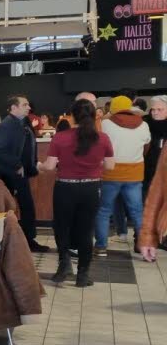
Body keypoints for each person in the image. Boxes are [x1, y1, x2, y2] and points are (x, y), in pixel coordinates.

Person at [41, 99, 114, 285]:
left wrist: (38, 165)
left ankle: (64, 263)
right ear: (93, 115)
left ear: (72, 116)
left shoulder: (60, 137)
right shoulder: (103, 138)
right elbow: (110, 166)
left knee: (62, 226)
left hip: (65, 187)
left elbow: (49, 166)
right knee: (86, 229)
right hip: (91, 188)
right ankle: (83, 274)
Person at [0, 95, 47, 251]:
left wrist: (33, 163)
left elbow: (28, 145)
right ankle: (24, 241)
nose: (29, 107)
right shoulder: (7, 125)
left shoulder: (23, 122)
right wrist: (17, 165)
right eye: (25, 105)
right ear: (14, 108)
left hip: (20, 172)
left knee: (25, 206)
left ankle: (26, 239)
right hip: (11, 173)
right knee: (23, 206)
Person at [96, 95, 151, 253]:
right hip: (134, 173)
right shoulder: (144, 125)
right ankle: (143, 247)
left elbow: (99, 144)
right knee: (137, 212)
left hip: (110, 173)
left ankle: (100, 247)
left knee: (104, 210)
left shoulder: (105, 123)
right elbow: (146, 146)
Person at [144, 95, 167, 199]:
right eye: (153, 109)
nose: (155, 112)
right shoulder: (144, 124)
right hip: (147, 170)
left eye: (159, 109)